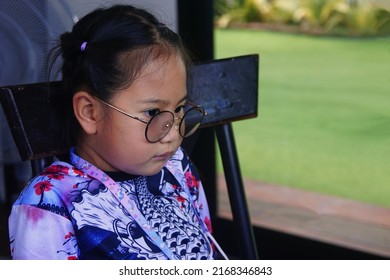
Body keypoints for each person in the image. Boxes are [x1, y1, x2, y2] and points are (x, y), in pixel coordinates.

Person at [8, 4, 227, 260]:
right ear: (90, 112)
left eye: (179, 108)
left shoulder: (178, 167)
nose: (172, 134)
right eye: (153, 113)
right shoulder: (51, 204)